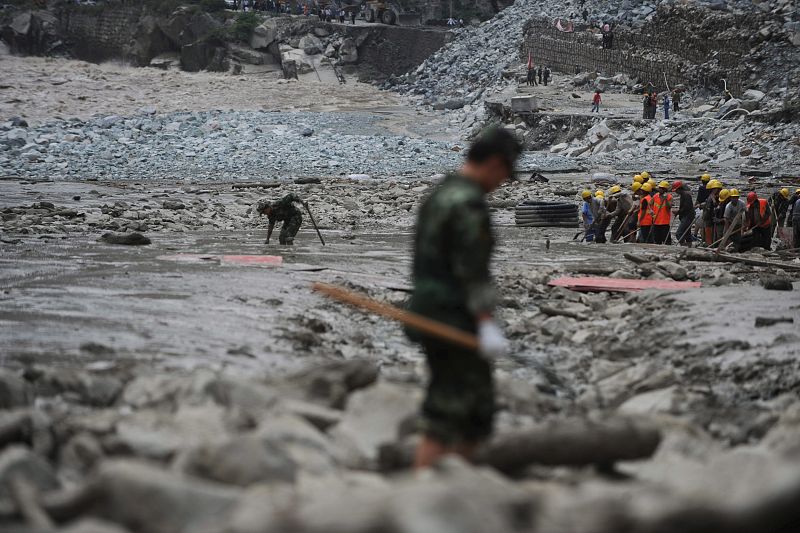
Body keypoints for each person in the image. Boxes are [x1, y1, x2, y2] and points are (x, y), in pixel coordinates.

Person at [408, 127, 521, 469]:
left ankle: (456, 488)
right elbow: (472, 271)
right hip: (454, 314)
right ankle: (426, 490)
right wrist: (486, 323)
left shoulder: (441, 193)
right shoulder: (468, 204)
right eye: (504, 173)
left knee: (465, 405)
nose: (502, 182)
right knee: (455, 410)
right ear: (495, 163)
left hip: (428, 307)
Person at [672, 181, 694, 246]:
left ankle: (684, 246)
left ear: (679, 189)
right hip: (686, 216)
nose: (676, 192)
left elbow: (686, 208)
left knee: (679, 233)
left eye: (676, 190)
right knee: (687, 234)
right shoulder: (683, 195)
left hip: (687, 217)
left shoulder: (686, 195)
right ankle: (689, 247)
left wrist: (678, 212)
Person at [702, 179, 723, 245]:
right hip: (708, 218)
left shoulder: (718, 197)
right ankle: (709, 244)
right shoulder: (711, 197)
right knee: (708, 232)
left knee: (712, 233)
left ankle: (711, 244)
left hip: (712, 218)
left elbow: (717, 207)